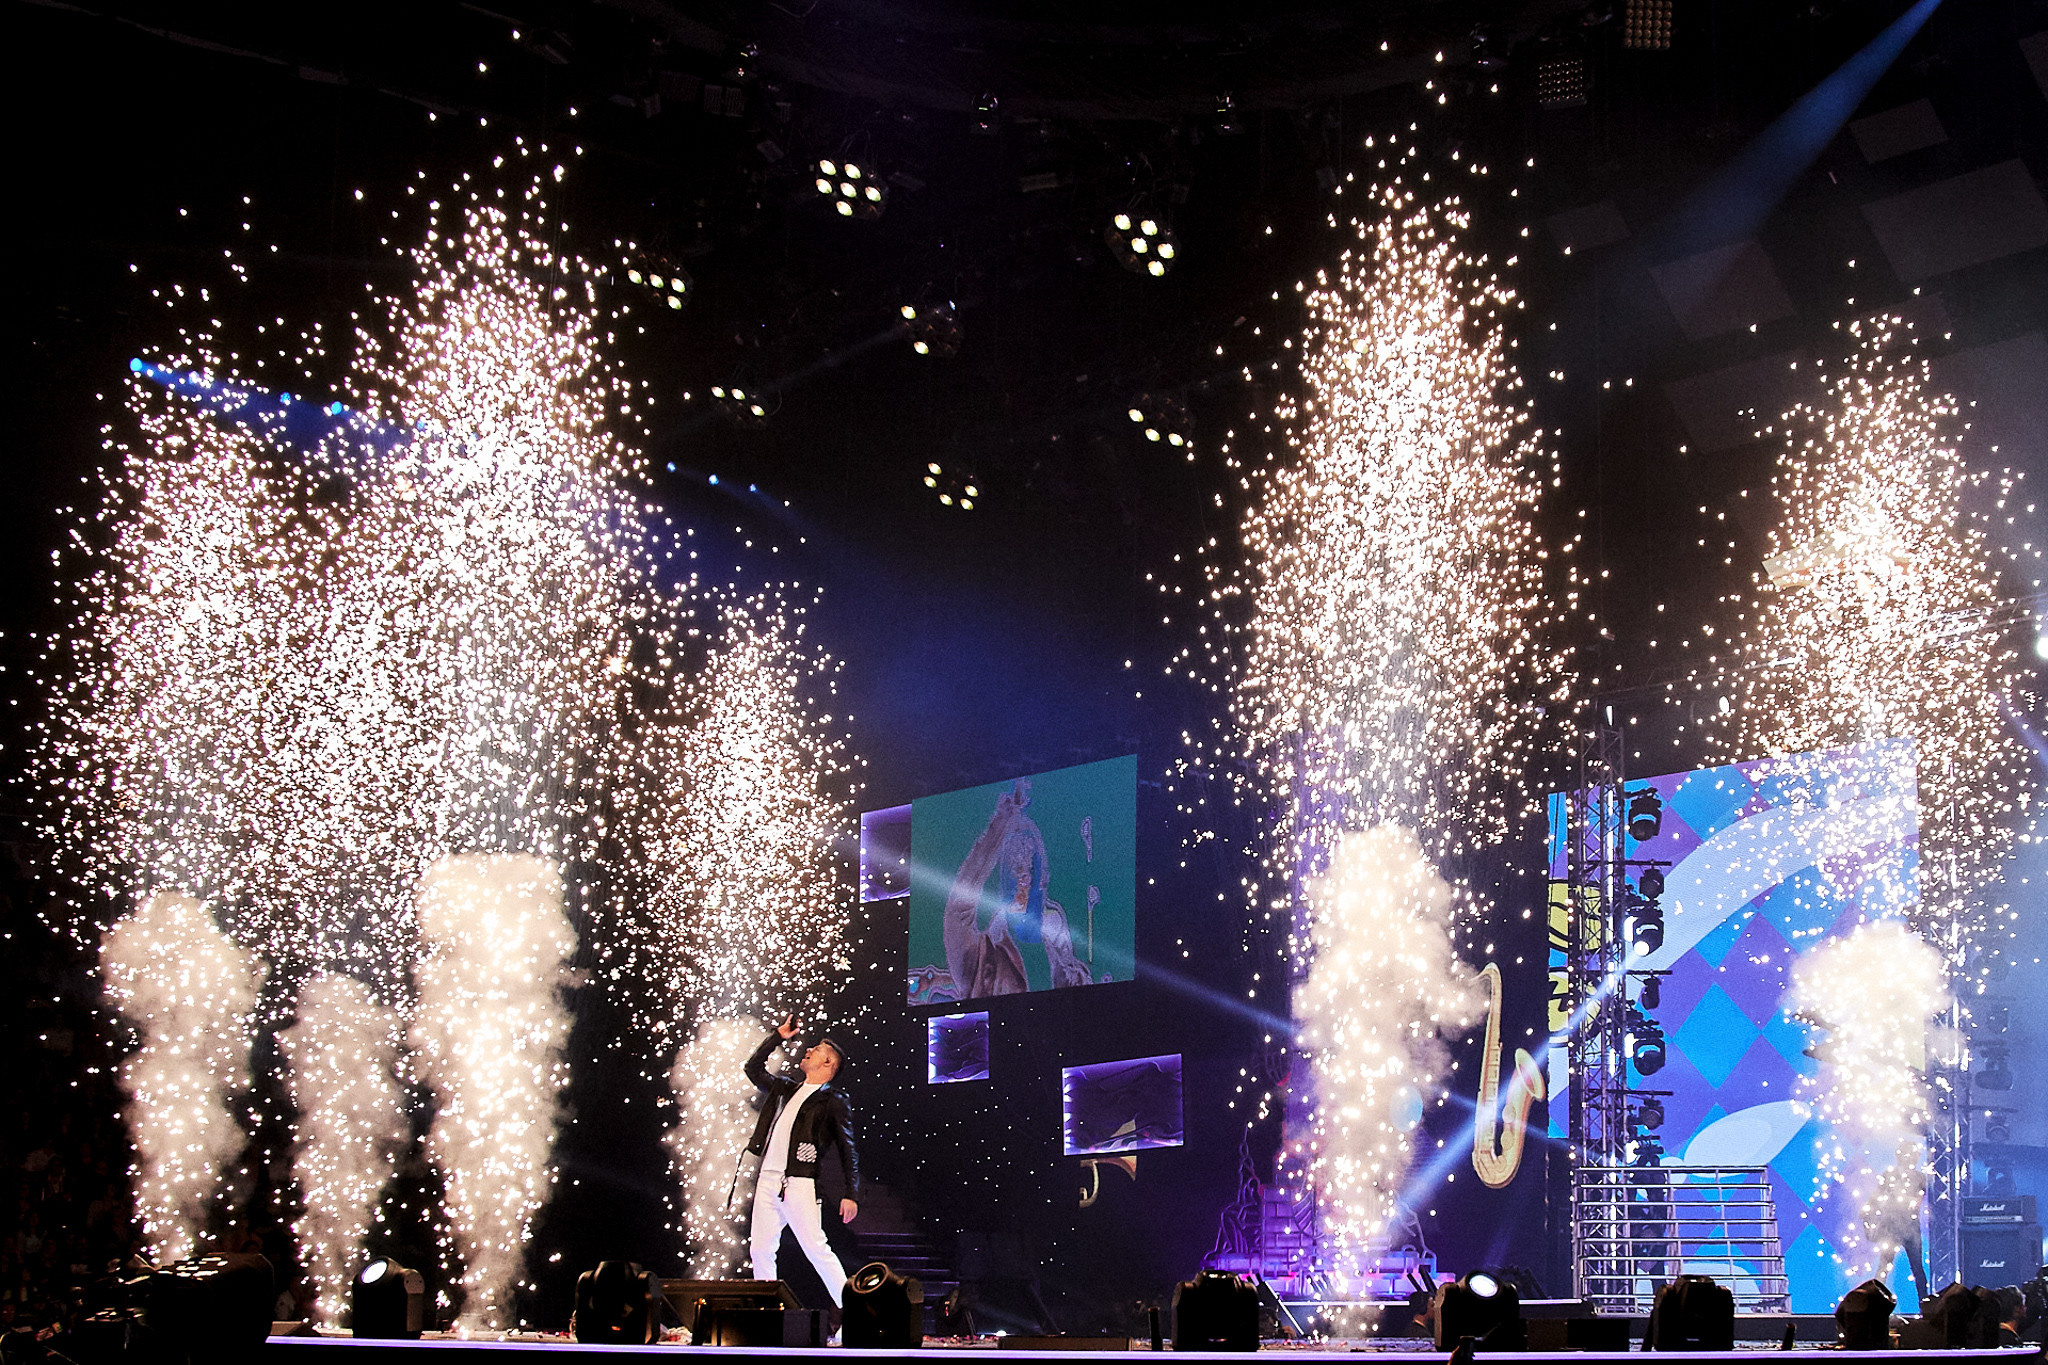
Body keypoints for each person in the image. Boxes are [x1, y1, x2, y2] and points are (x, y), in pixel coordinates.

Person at [745, 1014, 859, 1311]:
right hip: (769, 1179)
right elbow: (752, 1068)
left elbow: (847, 1148)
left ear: (828, 1063)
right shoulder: (785, 1089)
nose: (808, 1050)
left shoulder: (833, 1100)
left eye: (817, 1050)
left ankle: (854, 1313)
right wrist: (777, 1037)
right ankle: (768, 1314)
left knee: (816, 1249)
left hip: (799, 1182)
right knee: (760, 1249)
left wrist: (851, 1192)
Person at [943, 783, 1092, 999]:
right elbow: (958, 908)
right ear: (1004, 877)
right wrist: (1000, 823)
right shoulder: (979, 960)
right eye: (1015, 868)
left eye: (1031, 868)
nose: (1024, 879)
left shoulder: (1064, 959)